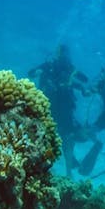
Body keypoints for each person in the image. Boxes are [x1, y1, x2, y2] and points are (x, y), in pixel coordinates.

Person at [27, 43, 92, 174]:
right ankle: (45, 167)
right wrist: (37, 72)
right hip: (48, 107)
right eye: (62, 53)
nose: (64, 56)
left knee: (67, 136)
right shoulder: (49, 66)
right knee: (47, 136)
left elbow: (84, 79)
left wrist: (82, 86)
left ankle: (68, 169)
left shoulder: (69, 68)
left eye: (66, 54)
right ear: (58, 54)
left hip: (65, 108)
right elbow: (31, 73)